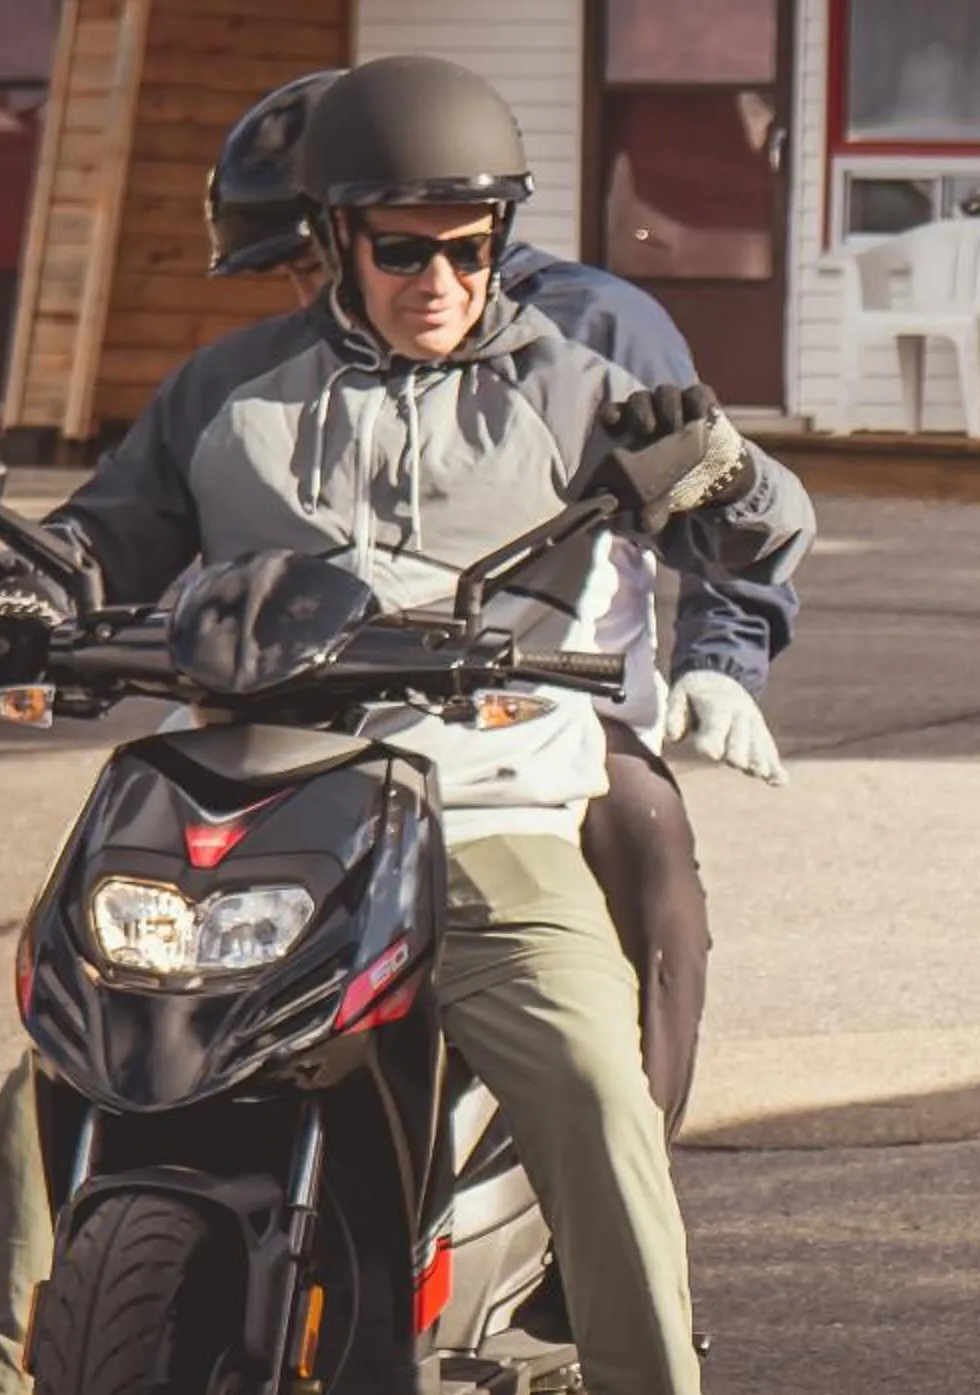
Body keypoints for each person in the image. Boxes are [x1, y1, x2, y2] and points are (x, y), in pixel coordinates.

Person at [0, 56, 809, 1395]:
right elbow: (105, 534)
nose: (442, 280)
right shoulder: (231, 390)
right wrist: (25, 593)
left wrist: (723, 478)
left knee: (587, 1075)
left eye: (471, 246)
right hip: (252, 788)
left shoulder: (577, 387)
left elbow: (752, 525)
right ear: (335, 238)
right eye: (405, 249)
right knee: (43, 1104)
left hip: (483, 800)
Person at [211, 71, 798, 1131]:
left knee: (649, 845)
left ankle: (631, 1159)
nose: (298, 298)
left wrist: (722, 659)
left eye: (301, 266)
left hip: (551, 704)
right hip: (323, 713)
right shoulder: (289, 361)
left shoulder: (597, 327)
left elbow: (712, 491)